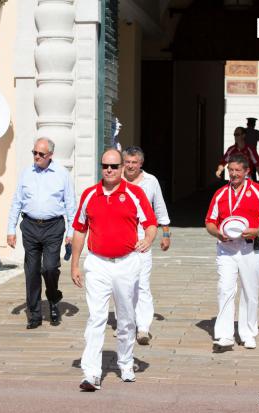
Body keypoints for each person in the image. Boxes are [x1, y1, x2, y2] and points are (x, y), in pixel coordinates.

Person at [71, 148, 157, 391]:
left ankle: (126, 363)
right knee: (96, 318)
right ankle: (91, 373)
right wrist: (75, 264)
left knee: (127, 318)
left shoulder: (135, 193)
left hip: (126, 262)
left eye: (114, 166)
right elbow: (79, 229)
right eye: (105, 166)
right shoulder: (89, 195)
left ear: (122, 168)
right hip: (97, 263)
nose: (109, 170)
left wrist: (148, 239)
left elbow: (150, 224)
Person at [205, 153, 259, 351]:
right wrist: (218, 234)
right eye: (231, 170)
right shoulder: (220, 193)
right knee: (225, 288)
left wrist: (258, 231)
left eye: (238, 170)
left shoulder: (258, 191)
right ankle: (224, 335)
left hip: (250, 247)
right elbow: (209, 222)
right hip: (226, 248)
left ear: (246, 171)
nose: (234, 174)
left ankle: (248, 333)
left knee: (249, 291)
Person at [7, 138, 76, 329]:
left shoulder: (62, 174)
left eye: (41, 154)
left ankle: (53, 299)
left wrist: (71, 231)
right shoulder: (26, 173)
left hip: (53, 227)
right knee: (32, 271)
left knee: (50, 268)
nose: (36, 157)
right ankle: (35, 314)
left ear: (50, 155)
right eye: (34, 153)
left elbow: (71, 204)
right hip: (29, 225)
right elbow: (16, 201)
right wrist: (10, 229)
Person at [122, 146, 171, 345]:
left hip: (144, 237)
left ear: (141, 163)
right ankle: (126, 325)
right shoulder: (115, 180)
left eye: (135, 162)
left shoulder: (151, 181)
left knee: (142, 284)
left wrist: (165, 234)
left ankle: (143, 327)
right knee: (123, 285)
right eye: (127, 162)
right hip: (120, 239)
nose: (131, 166)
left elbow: (160, 208)